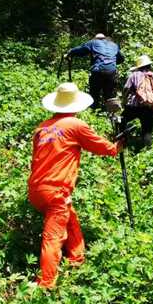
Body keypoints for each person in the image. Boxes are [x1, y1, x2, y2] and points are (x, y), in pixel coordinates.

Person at [28, 82, 123, 289]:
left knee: (70, 219)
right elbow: (104, 148)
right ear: (76, 105)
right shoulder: (75, 125)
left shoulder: (42, 128)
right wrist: (117, 146)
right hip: (56, 189)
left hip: (36, 189)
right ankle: (46, 285)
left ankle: (77, 260)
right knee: (54, 236)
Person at [67, 33, 124, 110]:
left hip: (98, 71)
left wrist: (70, 52)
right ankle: (110, 114)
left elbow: (81, 50)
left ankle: (94, 112)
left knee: (94, 93)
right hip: (111, 72)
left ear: (96, 38)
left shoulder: (93, 42)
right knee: (109, 95)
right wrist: (111, 63)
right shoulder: (114, 45)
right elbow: (121, 58)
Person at [122, 54, 153, 147]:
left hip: (134, 107)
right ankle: (147, 149)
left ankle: (122, 143)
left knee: (122, 121)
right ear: (150, 65)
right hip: (150, 107)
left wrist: (123, 101)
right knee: (147, 131)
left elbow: (126, 89)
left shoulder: (134, 75)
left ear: (139, 66)